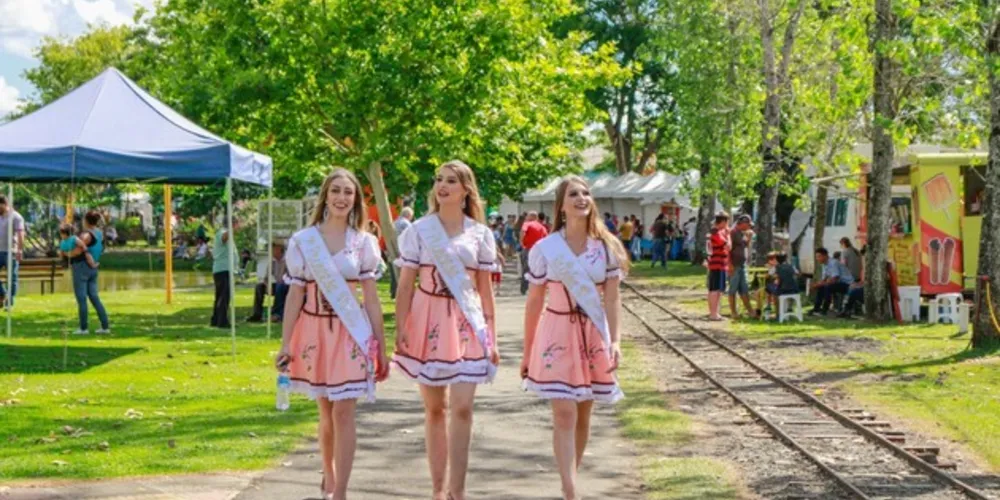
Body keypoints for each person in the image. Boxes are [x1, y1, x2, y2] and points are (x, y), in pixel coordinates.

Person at [275, 168, 390, 500]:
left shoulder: (364, 243)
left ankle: (341, 491)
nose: (342, 198)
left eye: (348, 192)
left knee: (344, 410)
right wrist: (285, 343)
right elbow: (295, 295)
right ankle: (329, 473)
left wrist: (380, 346)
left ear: (355, 199)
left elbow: (370, 298)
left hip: (350, 334)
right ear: (325, 195)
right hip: (313, 332)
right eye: (336, 191)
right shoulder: (303, 241)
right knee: (325, 411)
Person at [392, 160, 499, 500]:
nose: (443, 186)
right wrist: (401, 326)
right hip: (428, 320)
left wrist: (491, 334)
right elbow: (406, 285)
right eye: (439, 179)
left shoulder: (480, 234)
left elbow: (485, 289)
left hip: (467, 322)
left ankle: (458, 489)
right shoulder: (419, 231)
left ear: (466, 189)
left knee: (463, 407)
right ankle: (438, 488)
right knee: (435, 408)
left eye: (451, 181)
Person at [521, 175, 626, 500]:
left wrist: (616, 340)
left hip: (593, 334)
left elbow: (612, 298)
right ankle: (570, 492)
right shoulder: (545, 249)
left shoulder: (606, 248)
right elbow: (535, 301)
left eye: (586, 193)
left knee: (584, 412)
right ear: (561, 205)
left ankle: (571, 478)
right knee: (564, 412)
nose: (582, 198)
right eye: (574, 194)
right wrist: (527, 352)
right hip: (556, 333)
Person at [62, 211, 110, 335]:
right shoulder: (99, 233)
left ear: (86, 221)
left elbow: (78, 250)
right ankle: (105, 326)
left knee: (81, 298)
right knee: (94, 297)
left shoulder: (87, 234)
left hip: (81, 267)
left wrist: (65, 254)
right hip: (93, 268)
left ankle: (83, 328)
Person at [247, 242, 288, 323]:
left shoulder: (287, 261)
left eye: (273, 249)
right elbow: (266, 277)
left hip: (287, 285)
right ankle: (257, 314)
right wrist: (267, 285)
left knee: (279, 287)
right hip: (277, 285)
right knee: (259, 286)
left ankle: (276, 314)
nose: (271, 251)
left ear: (279, 249)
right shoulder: (273, 262)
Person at [809, 247, 854, 316]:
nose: (817, 259)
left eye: (819, 256)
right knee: (821, 287)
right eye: (816, 257)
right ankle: (816, 309)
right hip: (838, 283)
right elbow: (824, 279)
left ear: (825, 256)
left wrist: (820, 284)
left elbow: (835, 278)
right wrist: (817, 285)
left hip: (848, 284)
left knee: (827, 287)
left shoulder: (833, 263)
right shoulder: (824, 264)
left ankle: (824, 310)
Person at [728, 215, 756, 319]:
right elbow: (728, 250)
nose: (749, 227)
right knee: (733, 289)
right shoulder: (733, 232)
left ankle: (750, 311)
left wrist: (748, 238)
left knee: (744, 289)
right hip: (734, 265)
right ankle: (733, 312)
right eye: (748, 225)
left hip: (741, 264)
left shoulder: (741, 234)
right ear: (743, 223)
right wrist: (729, 264)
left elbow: (744, 245)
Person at [0, 195, 25, 308]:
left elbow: (21, 234)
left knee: (12, 277)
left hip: (11, 251)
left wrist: (20, 250)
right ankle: (3, 293)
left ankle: (9, 302)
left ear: (5, 204)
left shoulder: (16, 217)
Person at [210, 220, 235, 329]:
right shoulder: (222, 233)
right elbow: (224, 237)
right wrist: (234, 229)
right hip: (223, 269)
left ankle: (215, 319)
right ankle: (222, 321)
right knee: (224, 296)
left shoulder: (223, 233)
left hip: (223, 269)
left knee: (220, 296)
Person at [706, 213, 731, 321]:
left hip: (720, 264)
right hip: (717, 264)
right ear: (723, 222)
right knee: (715, 289)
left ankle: (716, 312)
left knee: (718, 290)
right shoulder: (715, 232)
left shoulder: (717, 232)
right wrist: (728, 235)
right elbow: (728, 245)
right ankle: (713, 313)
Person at [520, 211, 549, 295]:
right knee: (537, 270)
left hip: (528, 248)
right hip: (539, 251)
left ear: (531, 216)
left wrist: (521, 242)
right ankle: (536, 289)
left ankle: (524, 289)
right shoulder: (542, 227)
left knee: (526, 269)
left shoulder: (527, 224)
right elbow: (546, 238)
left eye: (527, 216)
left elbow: (523, 231)